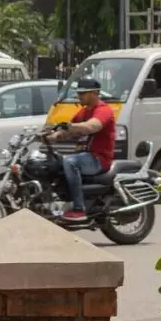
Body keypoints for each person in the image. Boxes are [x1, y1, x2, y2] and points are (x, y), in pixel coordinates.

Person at [47, 77, 114, 222]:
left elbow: (92, 126)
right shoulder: (83, 112)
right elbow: (68, 131)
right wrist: (51, 136)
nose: (79, 96)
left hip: (99, 159)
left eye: (83, 93)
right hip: (85, 156)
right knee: (52, 162)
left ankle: (79, 208)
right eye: (79, 93)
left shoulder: (104, 110)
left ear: (94, 93)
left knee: (71, 162)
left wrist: (73, 127)